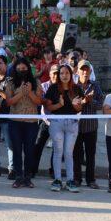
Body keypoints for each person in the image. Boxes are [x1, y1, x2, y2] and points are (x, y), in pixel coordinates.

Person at [45, 64, 84, 192]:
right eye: (62, 73)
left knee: (68, 153)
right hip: (56, 122)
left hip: (72, 123)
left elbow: (79, 108)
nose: (64, 75)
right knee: (58, 151)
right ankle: (57, 180)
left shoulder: (77, 88)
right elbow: (49, 108)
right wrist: (59, 104)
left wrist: (75, 105)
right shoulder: (53, 88)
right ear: (58, 75)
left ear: (71, 74)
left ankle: (70, 180)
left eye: (67, 73)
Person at [4, 57, 42, 188]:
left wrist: (30, 92)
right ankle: (18, 176)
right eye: (19, 69)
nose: (22, 71)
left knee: (29, 150)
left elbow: (38, 102)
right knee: (16, 149)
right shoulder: (10, 83)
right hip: (15, 121)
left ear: (28, 69)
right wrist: (21, 93)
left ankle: (28, 177)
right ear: (15, 70)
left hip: (31, 122)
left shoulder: (36, 82)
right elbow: (9, 102)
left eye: (24, 69)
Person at [73, 60, 104, 189]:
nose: (85, 72)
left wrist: (90, 102)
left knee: (91, 155)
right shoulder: (73, 86)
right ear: (78, 71)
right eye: (82, 69)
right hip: (76, 126)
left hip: (91, 126)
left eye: (87, 70)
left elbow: (101, 104)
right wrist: (85, 101)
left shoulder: (95, 86)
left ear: (90, 71)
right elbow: (72, 105)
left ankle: (91, 179)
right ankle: (76, 179)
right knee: (77, 154)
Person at [32, 64, 59, 178]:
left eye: (58, 73)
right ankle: (32, 170)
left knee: (57, 148)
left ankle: (53, 171)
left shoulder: (63, 87)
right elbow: (41, 101)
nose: (56, 76)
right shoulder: (43, 86)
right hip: (46, 121)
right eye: (54, 73)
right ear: (50, 74)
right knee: (38, 145)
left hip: (58, 122)